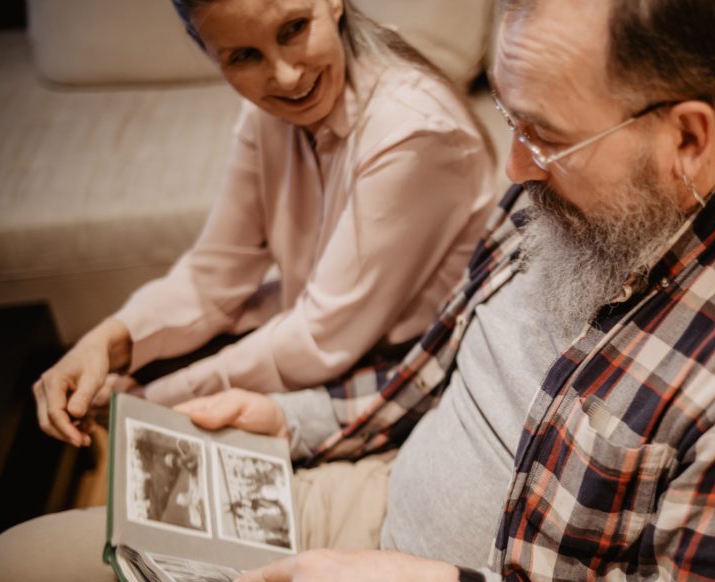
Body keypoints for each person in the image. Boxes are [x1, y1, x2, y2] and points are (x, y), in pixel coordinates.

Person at [0, 1, 715, 582]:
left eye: (541, 134)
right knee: (12, 572)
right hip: (365, 505)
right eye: (513, 118)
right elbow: (430, 372)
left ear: (687, 138)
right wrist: (287, 415)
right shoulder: (569, 196)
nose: (510, 167)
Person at [31, 0, 496, 448]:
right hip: (333, 330)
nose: (287, 77)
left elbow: (320, 338)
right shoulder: (270, 112)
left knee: (168, 406)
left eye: (294, 28)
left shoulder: (411, 132)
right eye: (244, 56)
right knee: (146, 367)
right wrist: (106, 340)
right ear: (211, 55)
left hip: (406, 364)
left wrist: (147, 401)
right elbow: (215, 273)